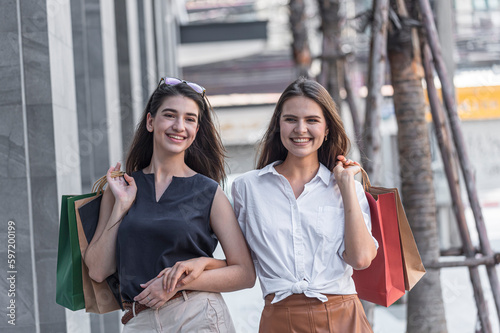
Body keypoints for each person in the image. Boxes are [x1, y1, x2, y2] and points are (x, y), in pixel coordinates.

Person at [83, 77, 255, 332]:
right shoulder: (121, 188)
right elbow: (97, 271)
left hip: (196, 314)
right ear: (151, 122)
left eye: (189, 119)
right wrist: (121, 206)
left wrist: (178, 283)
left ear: (196, 130)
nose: (179, 126)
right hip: (138, 320)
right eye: (170, 115)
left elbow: (244, 273)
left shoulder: (209, 192)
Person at [231, 77, 378, 332]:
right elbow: (239, 264)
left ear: (327, 128)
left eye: (312, 120)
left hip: (344, 317)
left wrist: (345, 188)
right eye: (291, 119)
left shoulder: (347, 188)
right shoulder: (247, 188)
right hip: (280, 318)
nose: (301, 129)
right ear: (279, 124)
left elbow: (361, 258)